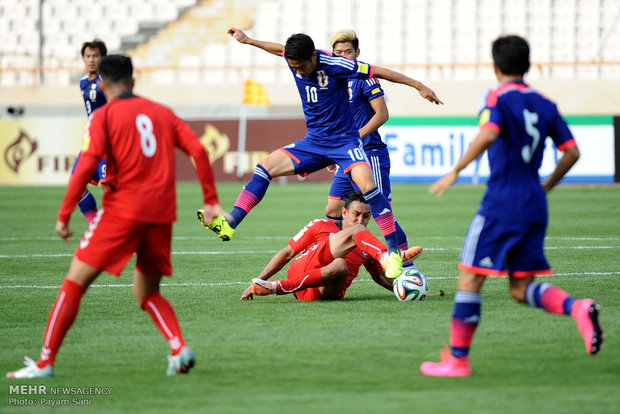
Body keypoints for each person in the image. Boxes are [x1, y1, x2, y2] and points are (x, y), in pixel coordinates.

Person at [6, 55, 225, 378]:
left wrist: (65, 213)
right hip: (161, 215)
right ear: (133, 81)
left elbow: (84, 166)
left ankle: (45, 363)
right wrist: (210, 200)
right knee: (148, 293)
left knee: (74, 283)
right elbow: (199, 150)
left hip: (122, 211)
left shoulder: (103, 116)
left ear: (101, 85)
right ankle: (179, 346)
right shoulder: (162, 113)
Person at [419, 35, 603, 378]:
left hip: (503, 200)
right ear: (528, 65)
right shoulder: (545, 102)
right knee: (519, 289)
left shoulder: (496, 96)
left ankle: (457, 360)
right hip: (534, 200)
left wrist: (456, 170)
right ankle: (578, 308)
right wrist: (546, 185)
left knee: (470, 277)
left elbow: (489, 133)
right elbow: (573, 151)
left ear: (494, 65)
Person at [199, 28, 442, 279]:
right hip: (314, 142)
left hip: (344, 143)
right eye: (293, 66)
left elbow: (379, 71)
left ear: (313, 57)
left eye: (301, 66)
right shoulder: (294, 59)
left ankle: (393, 254)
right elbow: (277, 49)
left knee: (370, 188)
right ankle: (231, 222)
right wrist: (248, 41)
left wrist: (418, 85)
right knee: (265, 167)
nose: (298, 71)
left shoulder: (336, 65)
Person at [239, 192, 422, 301]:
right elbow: (287, 253)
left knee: (341, 265)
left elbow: (381, 278)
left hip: (324, 291)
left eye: (366, 216)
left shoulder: (368, 244)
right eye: (356, 214)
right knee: (355, 236)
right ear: (344, 212)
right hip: (301, 271)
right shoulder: (320, 226)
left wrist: (408, 290)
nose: (361, 220)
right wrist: (255, 281)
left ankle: (273, 287)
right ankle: (388, 256)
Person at [326, 29, 411, 256]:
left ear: (357, 53)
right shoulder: (333, 80)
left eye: (348, 52)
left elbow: (382, 114)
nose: (343, 56)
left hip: (369, 153)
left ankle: (408, 269)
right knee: (334, 209)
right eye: (338, 53)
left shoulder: (364, 77)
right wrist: (334, 151)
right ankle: (332, 259)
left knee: (382, 212)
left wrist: (354, 139)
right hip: (347, 156)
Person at [73, 39, 108, 224]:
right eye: (88, 56)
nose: (91, 60)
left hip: (107, 143)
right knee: (76, 185)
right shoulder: (83, 82)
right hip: (91, 143)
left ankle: (123, 236)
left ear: (103, 58)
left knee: (109, 190)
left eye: (96, 56)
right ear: (83, 59)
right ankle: (96, 226)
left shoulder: (106, 81)